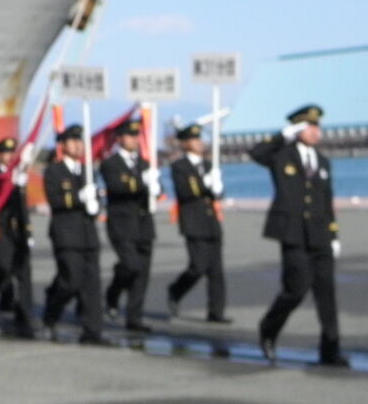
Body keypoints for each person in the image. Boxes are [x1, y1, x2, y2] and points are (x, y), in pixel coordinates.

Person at [250, 104, 347, 367]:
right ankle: (269, 328)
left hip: (320, 234)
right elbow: (256, 153)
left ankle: (331, 349)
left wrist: (334, 234)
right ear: (298, 129)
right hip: (293, 233)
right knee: (296, 289)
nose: (316, 132)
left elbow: (327, 200)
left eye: (317, 127)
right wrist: (282, 135)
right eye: (310, 127)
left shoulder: (323, 162)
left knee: (326, 292)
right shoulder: (282, 155)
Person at [42, 125, 109, 345]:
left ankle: (92, 332)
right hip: (66, 234)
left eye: (80, 141)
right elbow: (55, 200)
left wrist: (95, 204)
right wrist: (79, 197)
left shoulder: (88, 171)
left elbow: (96, 199)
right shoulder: (54, 171)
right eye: (73, 141)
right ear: (62, 145)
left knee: (92, 285)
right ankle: (51, 313)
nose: (78, 145)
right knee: (70, 281)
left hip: (87, 234)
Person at [167, 124, 231, 328]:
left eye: (199, 139)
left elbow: (217, 195)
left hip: (211, 221)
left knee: (216, 270)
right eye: (194, 140)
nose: (199, 142)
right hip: (193, 221)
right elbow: (185, 192)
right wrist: (206, 183)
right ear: (185, 143)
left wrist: (217, 187)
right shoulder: (179, 166)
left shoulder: (209, 165)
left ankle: (216, 311)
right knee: (198, 266)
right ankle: (176, 290)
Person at [99, 118, 159, 334]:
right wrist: (143, 182)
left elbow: (154, 192)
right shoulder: (110, 163)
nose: (134, 139)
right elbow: (118, 187)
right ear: (119, 138)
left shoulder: (145, 163)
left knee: (142, 274)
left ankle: (135, 318)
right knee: (131, 265)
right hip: (122, 224)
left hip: (144, 225)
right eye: (130, 135)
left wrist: (156, 186)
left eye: (136, 135)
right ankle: (113, 293)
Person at [0, 137, 37, 338]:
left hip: (18, 231)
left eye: (12, 153)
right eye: (6, 153)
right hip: (1, 230)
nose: (9, 156)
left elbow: (23, 208)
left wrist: (28, 230)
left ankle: (25, 318)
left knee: (24, 274)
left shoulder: (18, 174)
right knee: (3, 269)